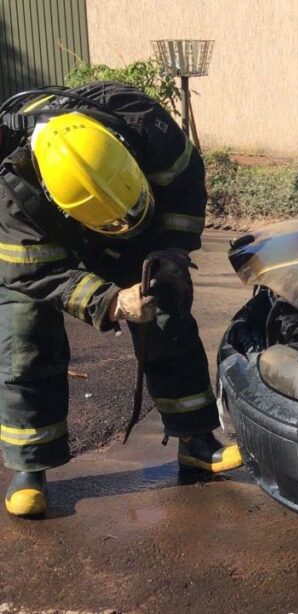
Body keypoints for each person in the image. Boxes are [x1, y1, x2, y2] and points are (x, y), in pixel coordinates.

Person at [0, 82, 242, 517]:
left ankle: (196, 439)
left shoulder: (143, 122)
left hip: (140, 227)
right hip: (45, 252)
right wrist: (110, 301)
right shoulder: (12, 192)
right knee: (25, 335)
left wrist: (172, 249)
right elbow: (38, 272)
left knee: (166, 308)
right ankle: (30, 465)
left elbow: (185, 187)